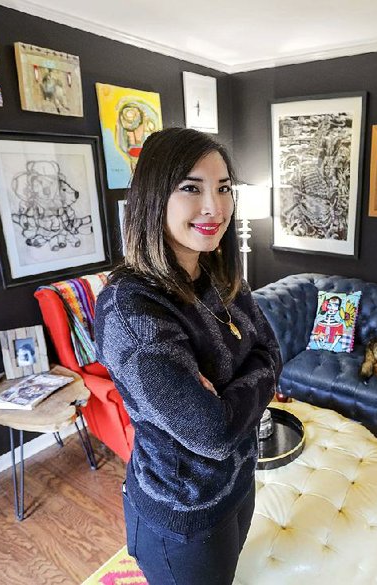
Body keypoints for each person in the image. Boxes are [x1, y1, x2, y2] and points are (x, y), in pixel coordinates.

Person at [94, 128, 281, 585]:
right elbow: (211, 432)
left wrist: (234, 389)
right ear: (153, 197)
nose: (214, 207)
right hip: (185, 514)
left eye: (223, 189)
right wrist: (255, 375)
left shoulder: (217, 274)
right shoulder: (133, 308)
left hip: (238, 481)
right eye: (191, 188)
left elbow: (273, 351)